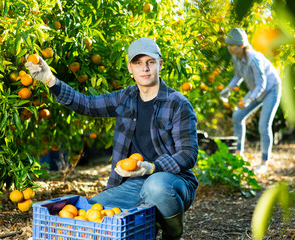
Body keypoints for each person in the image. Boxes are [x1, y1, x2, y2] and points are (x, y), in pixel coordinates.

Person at [25, 38, 199, 239]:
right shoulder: (126, 98)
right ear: (130, 68)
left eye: (150, 62)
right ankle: (147, 227)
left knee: (156, 186)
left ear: (160, 64)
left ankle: (172, 235)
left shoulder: (178, 104)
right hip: (133, 183)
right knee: (92, 214)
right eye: (138, 63)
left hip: (172, 182)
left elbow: (188, 154)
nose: (145, 68)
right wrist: (50, 80)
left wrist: (152, 167)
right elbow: (87, 104)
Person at [220, 28, 282, 174]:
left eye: (232, 45)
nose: (229, 48)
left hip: (270, 90)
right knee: (237, 116)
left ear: (241, 45)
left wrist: (249, 100)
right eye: (228, 45)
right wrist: (229, 88)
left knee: (263, 125)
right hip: (256, 90)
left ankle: (264, 163)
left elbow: (262, 84)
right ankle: (237, 156)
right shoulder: (236, 57)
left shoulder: (254, 59)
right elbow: (238, 75)